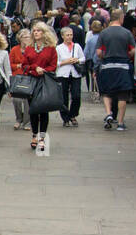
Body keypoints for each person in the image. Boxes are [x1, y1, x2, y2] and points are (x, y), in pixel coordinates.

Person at [95, 9, 135, 131]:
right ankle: (121, 123)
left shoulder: (103, 33)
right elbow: (133, 50)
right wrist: (127, 54)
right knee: (122, 95)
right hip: (123, 66)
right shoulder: (127, 33)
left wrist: (105, 56)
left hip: (107, 66)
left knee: (107, 92)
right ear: (121, 18)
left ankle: (108, 113)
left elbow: (99, 52)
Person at [22, 23, 58, 153]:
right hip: (32, 81)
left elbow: (53, 66)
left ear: (44, 33)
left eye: (38, 31)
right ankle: (34, 135)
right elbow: (24, 64)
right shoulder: (29, 48)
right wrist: (33, 68)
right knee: (32, 110)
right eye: (34, 31)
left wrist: (44, 70)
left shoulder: (51, 49)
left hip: (44, 81)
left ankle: (42, 137)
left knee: (43, 109)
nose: (36, 33)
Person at [55, 25, 86, 126]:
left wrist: (77, 60)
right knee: (63, 97)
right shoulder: (58, 48)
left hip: (75, 74)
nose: (69, 37)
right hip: (63, 74)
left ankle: (72, 114)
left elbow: (83, 58)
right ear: (62, 36)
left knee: (76, 95)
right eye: (67, 35)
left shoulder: (77, 46)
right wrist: (66, 62)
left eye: (71, 35)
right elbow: (56, 63)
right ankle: (65, 118)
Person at [8, 28, 35, 130]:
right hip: (17, 78)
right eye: (25, 37)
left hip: (29, 78)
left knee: (28, 100)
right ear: (20, 38)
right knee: (16, 100)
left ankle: (27, 122)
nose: (27, 39)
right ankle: (19, 119)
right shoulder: (14, 49)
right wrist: (18, 66)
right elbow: (9, 64)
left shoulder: (32, 49)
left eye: (29, 37)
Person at [84, 19, 104, 96]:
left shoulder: (90, 40)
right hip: (103, 60)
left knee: (94, 77)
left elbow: (86, 53)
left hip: (94, 61)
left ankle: (95, 90)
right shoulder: (104, 38)